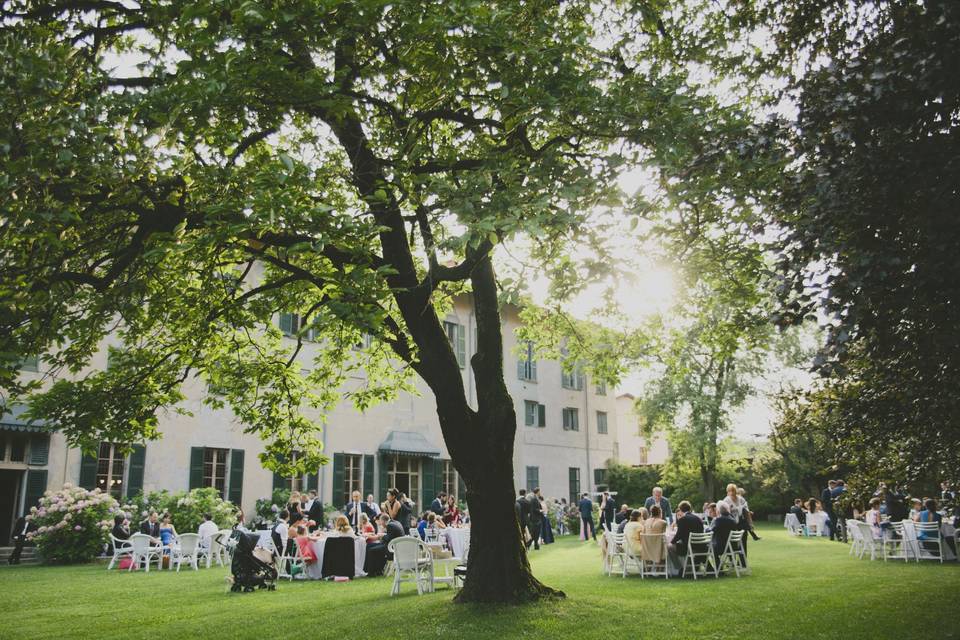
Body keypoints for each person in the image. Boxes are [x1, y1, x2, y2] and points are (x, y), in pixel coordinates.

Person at [720, 483, 749, 562]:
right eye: (730, 491)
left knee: (743, 542)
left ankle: (743, 562)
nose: (732, 492)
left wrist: (750, 523)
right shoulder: (726, 500)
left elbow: (746, 511)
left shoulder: (741, 499)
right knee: (732, 542)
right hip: (731, 523)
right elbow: (723, 513)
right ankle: (732, 561)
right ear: (727, 492)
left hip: (742, 522)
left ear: (736, 491)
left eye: (733, 490)